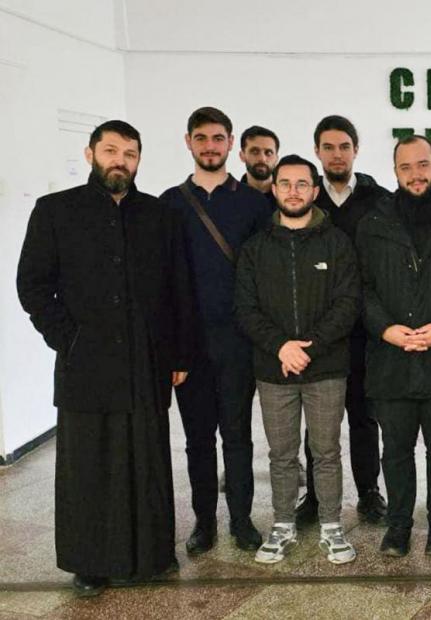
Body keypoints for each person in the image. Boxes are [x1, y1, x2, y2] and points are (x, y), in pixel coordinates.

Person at [17, 120, 194, 596]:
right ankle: (89, 563)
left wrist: (179, 352)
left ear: (139, 160)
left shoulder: (159, 215)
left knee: (146, 459)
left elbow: (178, 288)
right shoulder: (55, 211)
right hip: (85, 363)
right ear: (90, 154)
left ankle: (150, 555)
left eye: (130, 153)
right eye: (111, 151)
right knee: (88, 465)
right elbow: (32, 284)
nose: (120, 161)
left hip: (146, 361)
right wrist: (66, 338)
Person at [235, 154, 361, 565]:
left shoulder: (337, 243)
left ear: (314, 189)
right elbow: (245, 308)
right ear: (274, 189)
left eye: (301, 184)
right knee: (282, 455)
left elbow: (348, 303)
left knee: (326, 452)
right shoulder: (255, 248)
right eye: (285, 183)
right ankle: (283, 524)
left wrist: (309, 347)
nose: (293, 191)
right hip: (274, 370)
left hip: (326, 368)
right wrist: (281, 347)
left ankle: (331, 526)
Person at [161, 106, 270, 554]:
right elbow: (163, 283)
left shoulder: (254, 204)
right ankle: (204, 522)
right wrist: (172, 349)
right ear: (188, 142)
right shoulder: (169, 204)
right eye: (202, 138)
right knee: (197, 440)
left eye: (218, 138)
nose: (210, 146)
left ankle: (241, 519)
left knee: (238, 436)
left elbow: (264, 275)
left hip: (238, 341)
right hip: (189, 344)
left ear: (231, 144)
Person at [357, 135, 431, 556]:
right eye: (405, 167)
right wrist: (384, 328)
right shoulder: (374, 223)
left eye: (423, 164)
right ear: (395, 172)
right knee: (396, 450)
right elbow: (361, 288)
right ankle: (399, 525)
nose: (415, 174)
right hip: (392, 357)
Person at [302, 115, 390, 525]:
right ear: (317, 151)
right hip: (317, 330)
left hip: (365, 330)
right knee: (318, 420)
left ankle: (369, 492)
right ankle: (315, 497)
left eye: (344, 147)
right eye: (328, 147)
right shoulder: (307, 198)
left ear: (356, 149)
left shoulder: (378, 199)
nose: (336, 155)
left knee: (363, 415)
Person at [239, 125, 280, 207]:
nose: (262, 159)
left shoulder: (289, 199)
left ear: (276, 158)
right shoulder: (228, 200)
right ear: (242, 156)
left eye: (268, 153)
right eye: (255, 152)